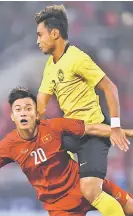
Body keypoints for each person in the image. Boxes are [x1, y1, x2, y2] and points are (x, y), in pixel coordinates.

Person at [0, 88, 133, 216]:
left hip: (83, 186)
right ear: (12, 117)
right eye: (18, 110)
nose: (23, 113)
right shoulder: (7, 145)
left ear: (36, 113)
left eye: (28, 108)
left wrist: (128, 133)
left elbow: (93, 129)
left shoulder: (54, 127)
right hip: (59, 207)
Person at [35, 4, 131, 216]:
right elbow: (40, 105)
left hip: (93, 134)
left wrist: (115, 126)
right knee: (63, 190)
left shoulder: (76, 58)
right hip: (72, 134)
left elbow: (110, 87)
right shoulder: (50, 66)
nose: (38, 40)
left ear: (55, 33)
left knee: (90, 190)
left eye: (40, 35)